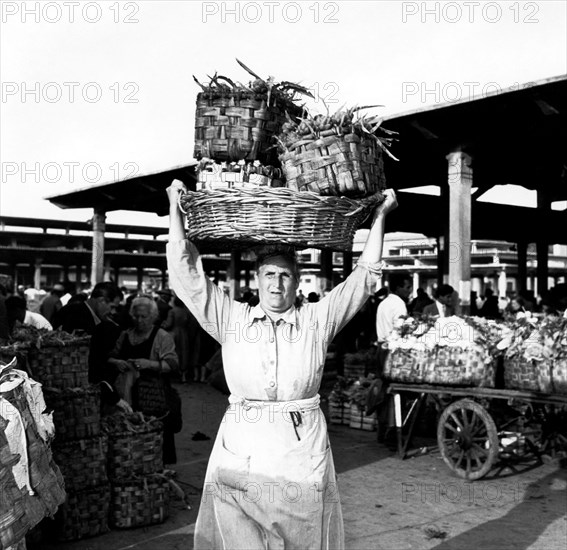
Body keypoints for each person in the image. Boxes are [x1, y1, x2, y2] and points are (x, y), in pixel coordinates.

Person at [166, 179, 397, 550]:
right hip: (243, 446)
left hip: (299, 449)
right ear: (256, 280)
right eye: (269, 275)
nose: (277, 284)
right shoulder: (232, 319)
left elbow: (363, 279)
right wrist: (175, 212)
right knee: (240, 539)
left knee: (301, 538)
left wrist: (380, 216)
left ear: (296, 281)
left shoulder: (316, 321)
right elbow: (186, 277)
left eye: (285, 275)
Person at [107, 295, 179, 464]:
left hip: (152, 396)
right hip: (127, 396)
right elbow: (110, 357)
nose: (139, 320)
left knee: (154, 437)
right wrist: (117, 362)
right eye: (136, 316)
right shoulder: (125, 335)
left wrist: (149, 364)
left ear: (153, 316)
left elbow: (173, 364)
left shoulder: (162, 336)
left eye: (144, 317)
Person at [53, 282, 119, 335]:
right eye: (112, 307)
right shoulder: (76, 315)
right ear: (101, 300)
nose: (113, 312)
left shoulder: (78, 311)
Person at [162, 295, 201, 383]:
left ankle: (174, 373)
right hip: (184, 334)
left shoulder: (172, 311)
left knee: (174, 352)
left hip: (174, 334)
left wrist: (163, 325)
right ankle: (183, 375)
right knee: (184, 353)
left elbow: (169, 323)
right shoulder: (186, 312)